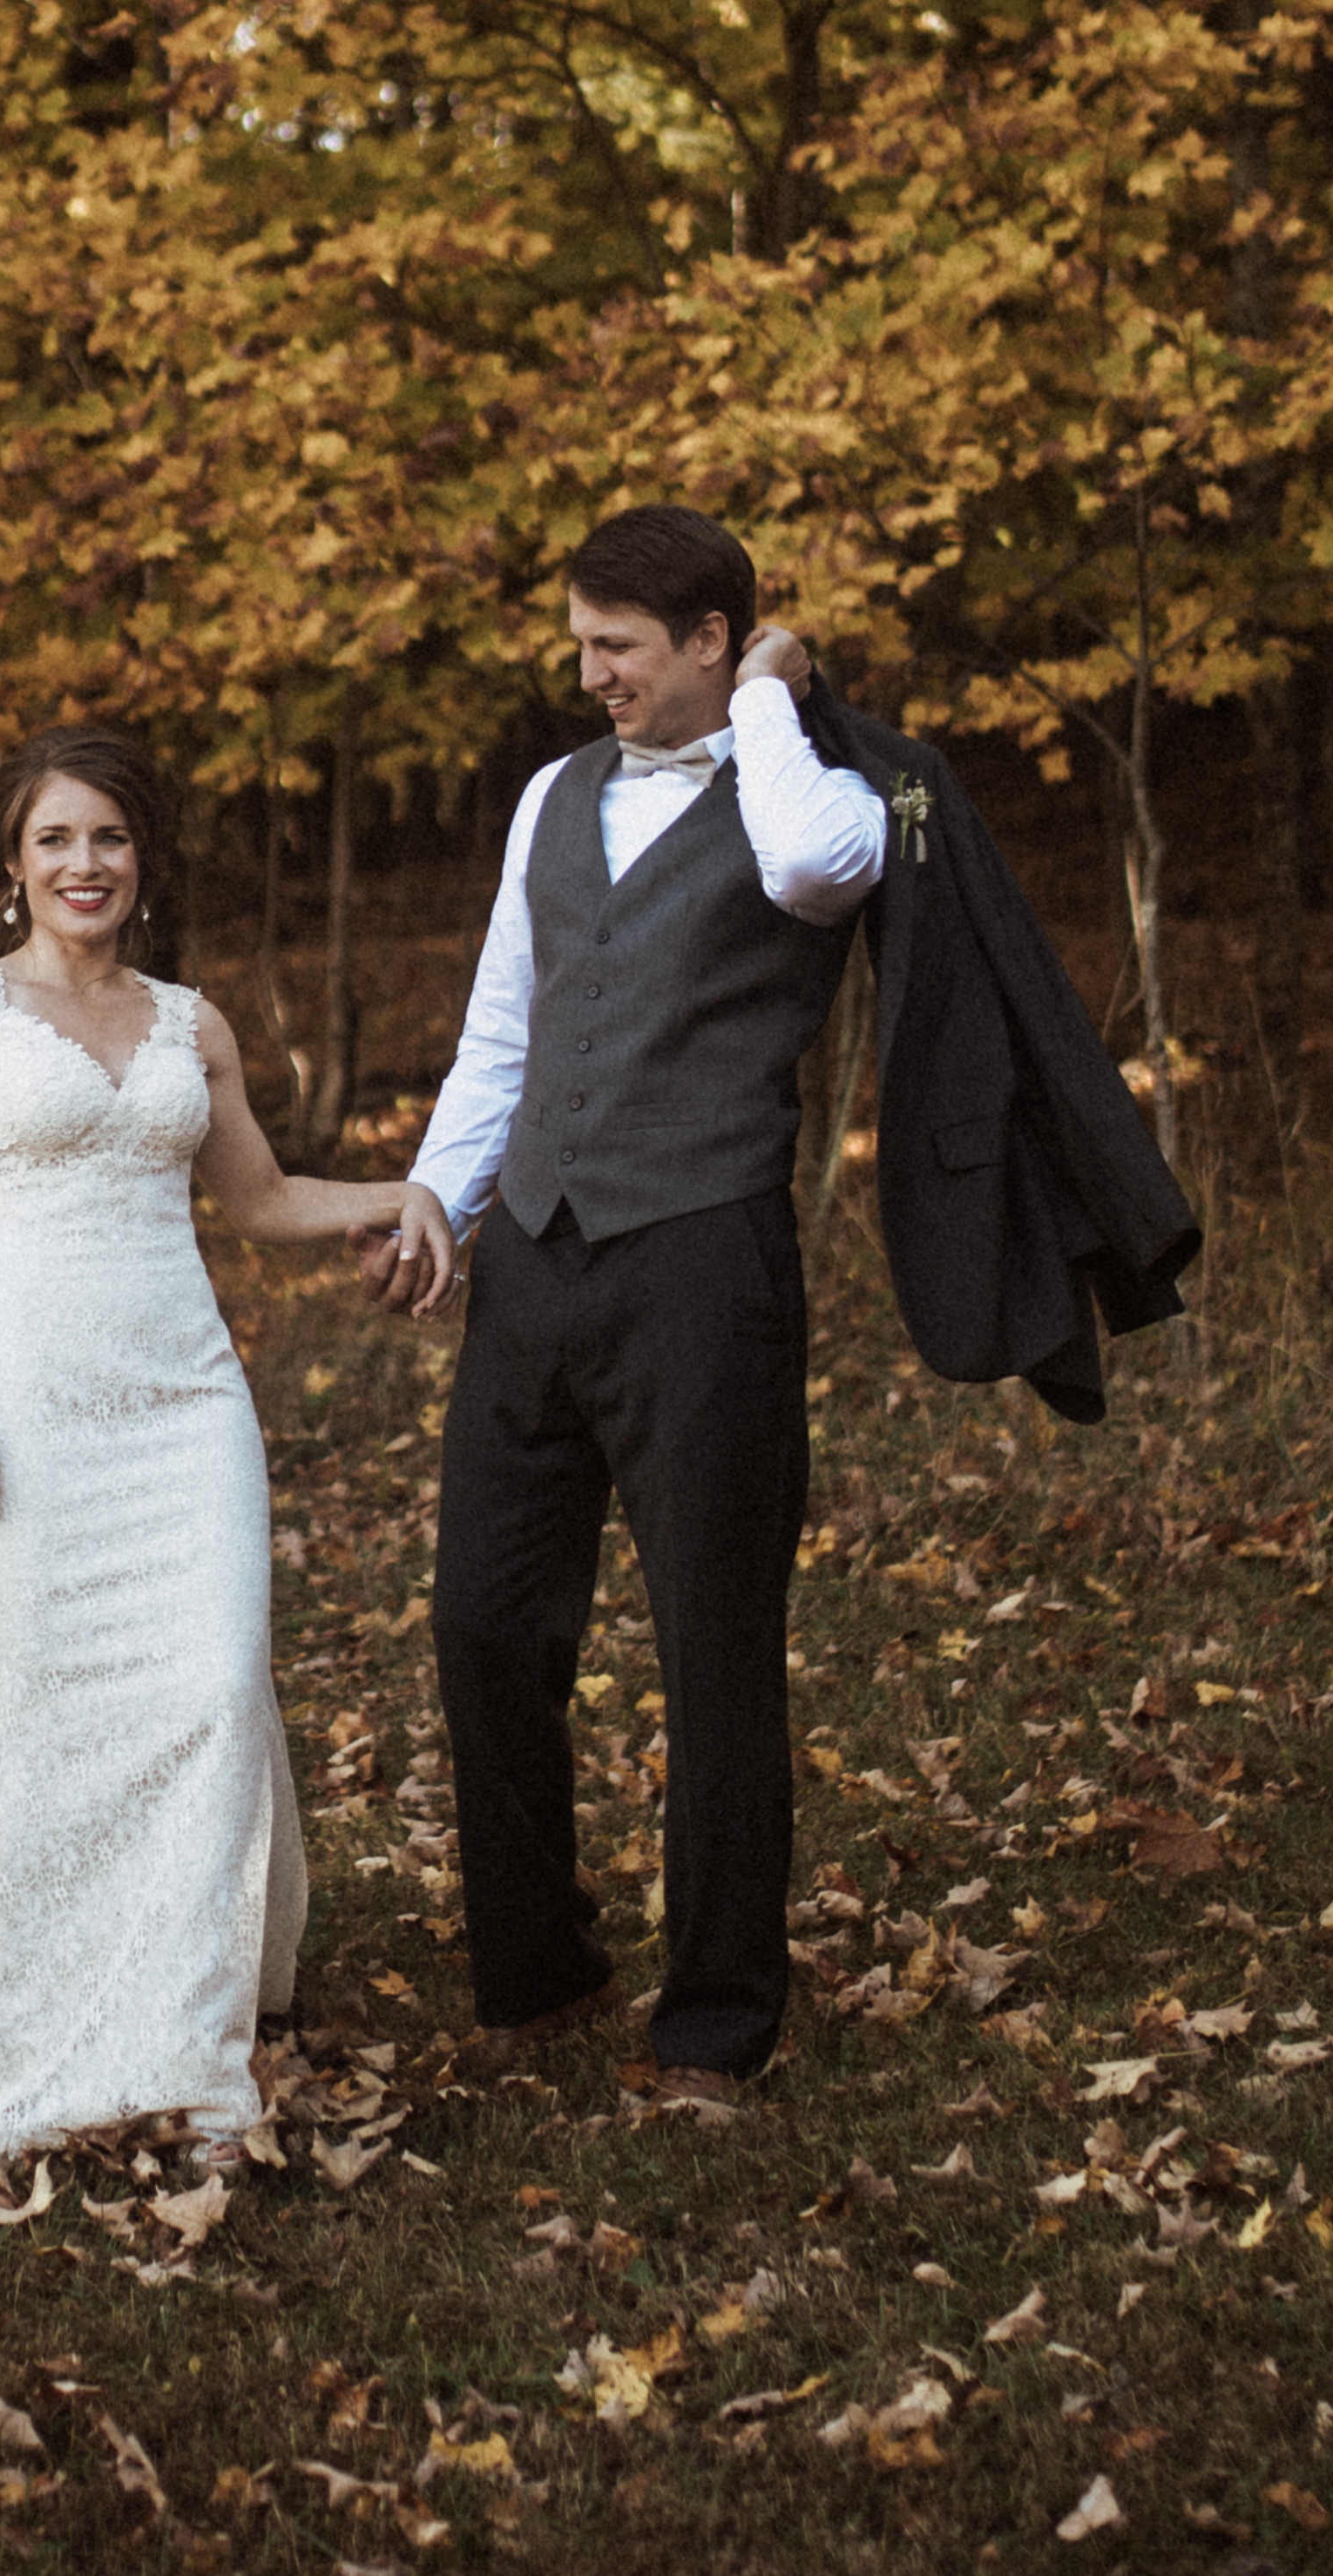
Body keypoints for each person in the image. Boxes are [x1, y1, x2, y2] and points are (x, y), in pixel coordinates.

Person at [0, 725, 418, 2158]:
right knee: (41, 1699)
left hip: (188, 1408)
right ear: (11, 867)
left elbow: (260, 1200)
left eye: (110, 838)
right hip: (26, 1402)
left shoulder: (189, 1022)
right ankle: (38, 1994)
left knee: (214, 1687)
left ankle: (179, 2020)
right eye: (55, 840)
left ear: (143, 860)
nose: (85, 864)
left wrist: (415, 1191)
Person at [359, 506, 890, 2103]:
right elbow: (501, 1031)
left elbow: (804, 863)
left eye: (622, 650)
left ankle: (718, 2022)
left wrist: (775, 699)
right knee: (482, 1622)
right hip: (534, 1255)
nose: (590, 677)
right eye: (581, 644)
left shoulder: (825, 795)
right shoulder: (553, 794)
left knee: (714, 1644)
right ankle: (541, 1966)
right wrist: (446, 1200)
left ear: (717, 639)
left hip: (700, 1268)